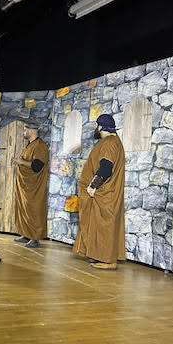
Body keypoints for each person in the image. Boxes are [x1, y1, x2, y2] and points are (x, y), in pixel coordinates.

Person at [73, 113, 125, 269]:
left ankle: (108, 261)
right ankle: (100, 256)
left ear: (101, 127)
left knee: (104, 227)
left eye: (97, 125)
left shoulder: (109, 143)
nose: (96, 129)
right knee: (99, 226)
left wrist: (92, 186)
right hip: (105, 193)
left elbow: (106, 167)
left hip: (104, 194)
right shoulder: (113, 142)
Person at [12, 121, 49, 248]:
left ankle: (35, 237)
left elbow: (37, 166)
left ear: (31, 130)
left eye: (25, 130)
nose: (24, 132)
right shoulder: (29, 145)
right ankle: (26, 234)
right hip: (25, 185)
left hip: (34, 186)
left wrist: (21, 162)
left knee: (34, 210)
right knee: (24, 209)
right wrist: (19, 161)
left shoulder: (40, 146)